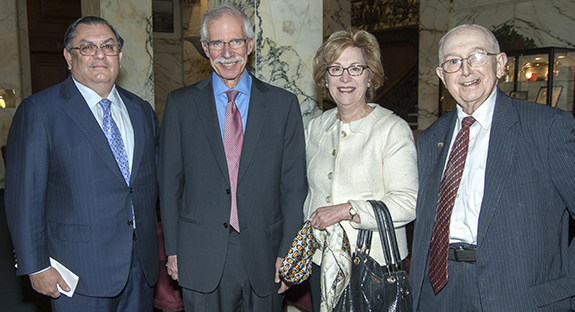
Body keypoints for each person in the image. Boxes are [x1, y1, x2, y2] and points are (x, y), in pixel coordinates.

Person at [410, 23, 575, 311]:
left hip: (519, 293)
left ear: (500, 64)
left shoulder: (547, 127)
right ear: (441, 75)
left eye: (476, 57)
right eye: (453, 62)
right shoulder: (430, 139)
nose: (466, 71)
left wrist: (565, 281)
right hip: (438, 293)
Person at [157, 3, 306, 311]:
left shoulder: (283, 105)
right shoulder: (180, 105)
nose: (227, 52)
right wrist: (172, 250)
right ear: (205, 48)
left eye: (235, 41)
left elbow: (293, 187)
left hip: (266, 255)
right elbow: (169, 185)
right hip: (199, 254)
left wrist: (289, 252)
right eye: (216, 43)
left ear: (250, 45)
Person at [4, 16, 159, 311]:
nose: (100, 55)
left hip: (140, 268)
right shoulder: (39, 111)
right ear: (68, 56)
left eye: (108, 46)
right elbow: (24, 197)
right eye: (87, 47)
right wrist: (35, 266)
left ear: (120, 56)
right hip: (77, 272)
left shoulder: (141, 111)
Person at [306, 29, 418, 312]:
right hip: (321, 263)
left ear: (370, 76)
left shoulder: (392, 130)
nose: (345, 78)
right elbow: (307, 194)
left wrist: (348, 210)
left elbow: (408, 203)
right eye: (336, 69)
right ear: (324, 78)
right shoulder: (315, 128)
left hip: (372, 268)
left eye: (355, 68)